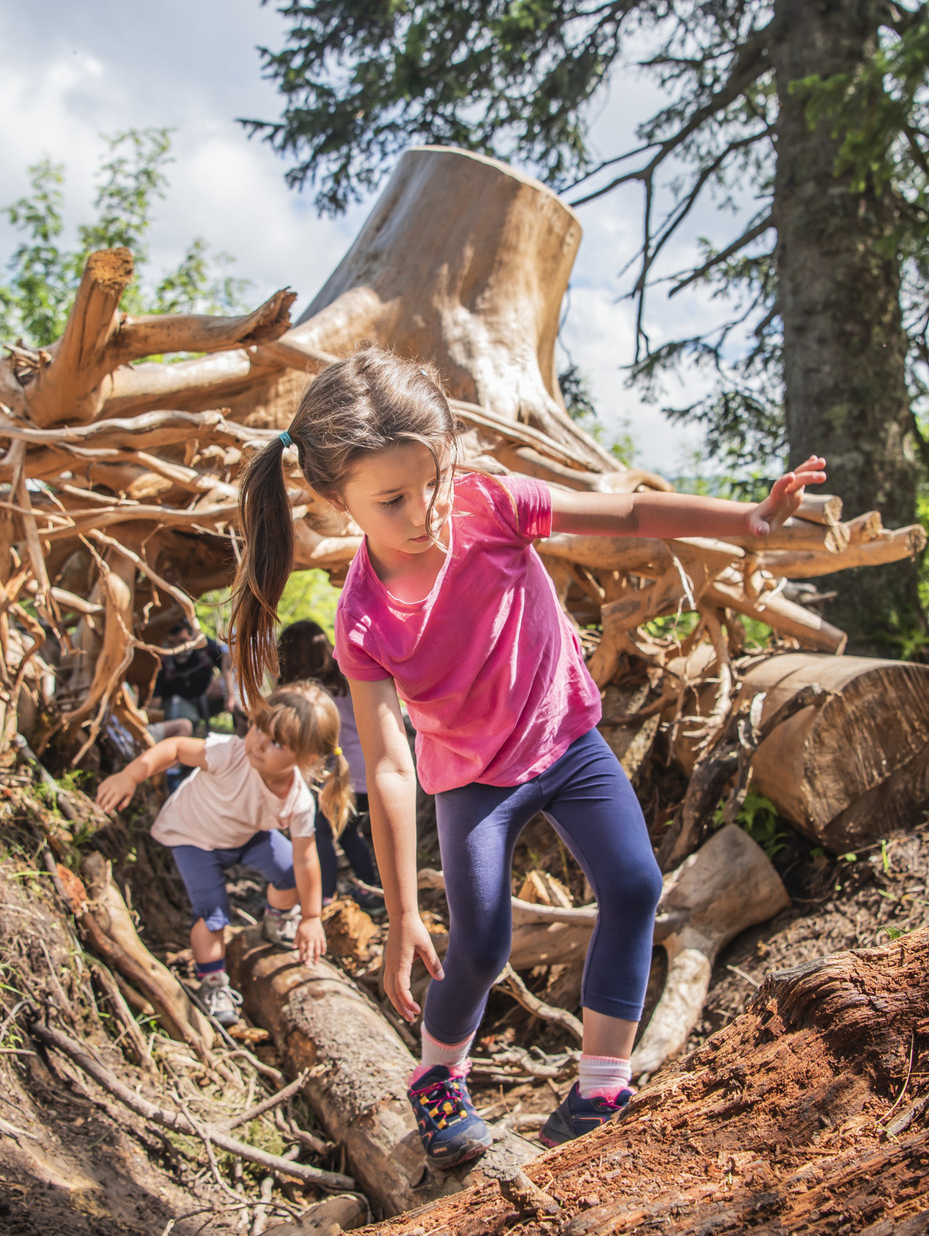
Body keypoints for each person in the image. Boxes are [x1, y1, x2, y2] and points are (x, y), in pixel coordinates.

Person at [229, 346, 828, 1165]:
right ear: (336, 501)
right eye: (392, 499)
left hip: (567, 742)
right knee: (479, 947)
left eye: (433, 479)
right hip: (472, 782)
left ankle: (599, 1085)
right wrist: (403, 912)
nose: (425, 510)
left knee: (636, 885)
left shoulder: (492, 506)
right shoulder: (362, 619)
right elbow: (392, 766)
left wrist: (745, 520)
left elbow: (624, 515)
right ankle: (437, 1080)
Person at [94, 683, 353, 1026]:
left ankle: (278, 920)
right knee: (214, 914)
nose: (258, 742)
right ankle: (212, 981)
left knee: (290, 867)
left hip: (247, 837)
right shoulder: (229, 753)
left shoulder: (299, 800)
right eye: (260, 727)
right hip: (195, 838)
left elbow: (306, 859)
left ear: (306, 758)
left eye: (276, 742)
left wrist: (309, 917)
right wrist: (131, 775)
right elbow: (174, 749)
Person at [277, 619, 386, 914]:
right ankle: (369, 890)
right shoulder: (346, 679)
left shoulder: (310, 695)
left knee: (320, 832)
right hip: (365, 770)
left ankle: (326, 895)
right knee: (349, 832)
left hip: (337, 773)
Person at [151, 618, 230, 738]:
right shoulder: (163, 660)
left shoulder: (203, 646)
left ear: (192, 637)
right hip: (179, 705)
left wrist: (223, 683)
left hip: (208, 697)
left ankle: (242, 731)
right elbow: (155, 699)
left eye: (183, 641)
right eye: (172, 643)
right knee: (181, 717)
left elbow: (227, 660)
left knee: (234, 691)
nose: (179, 648)